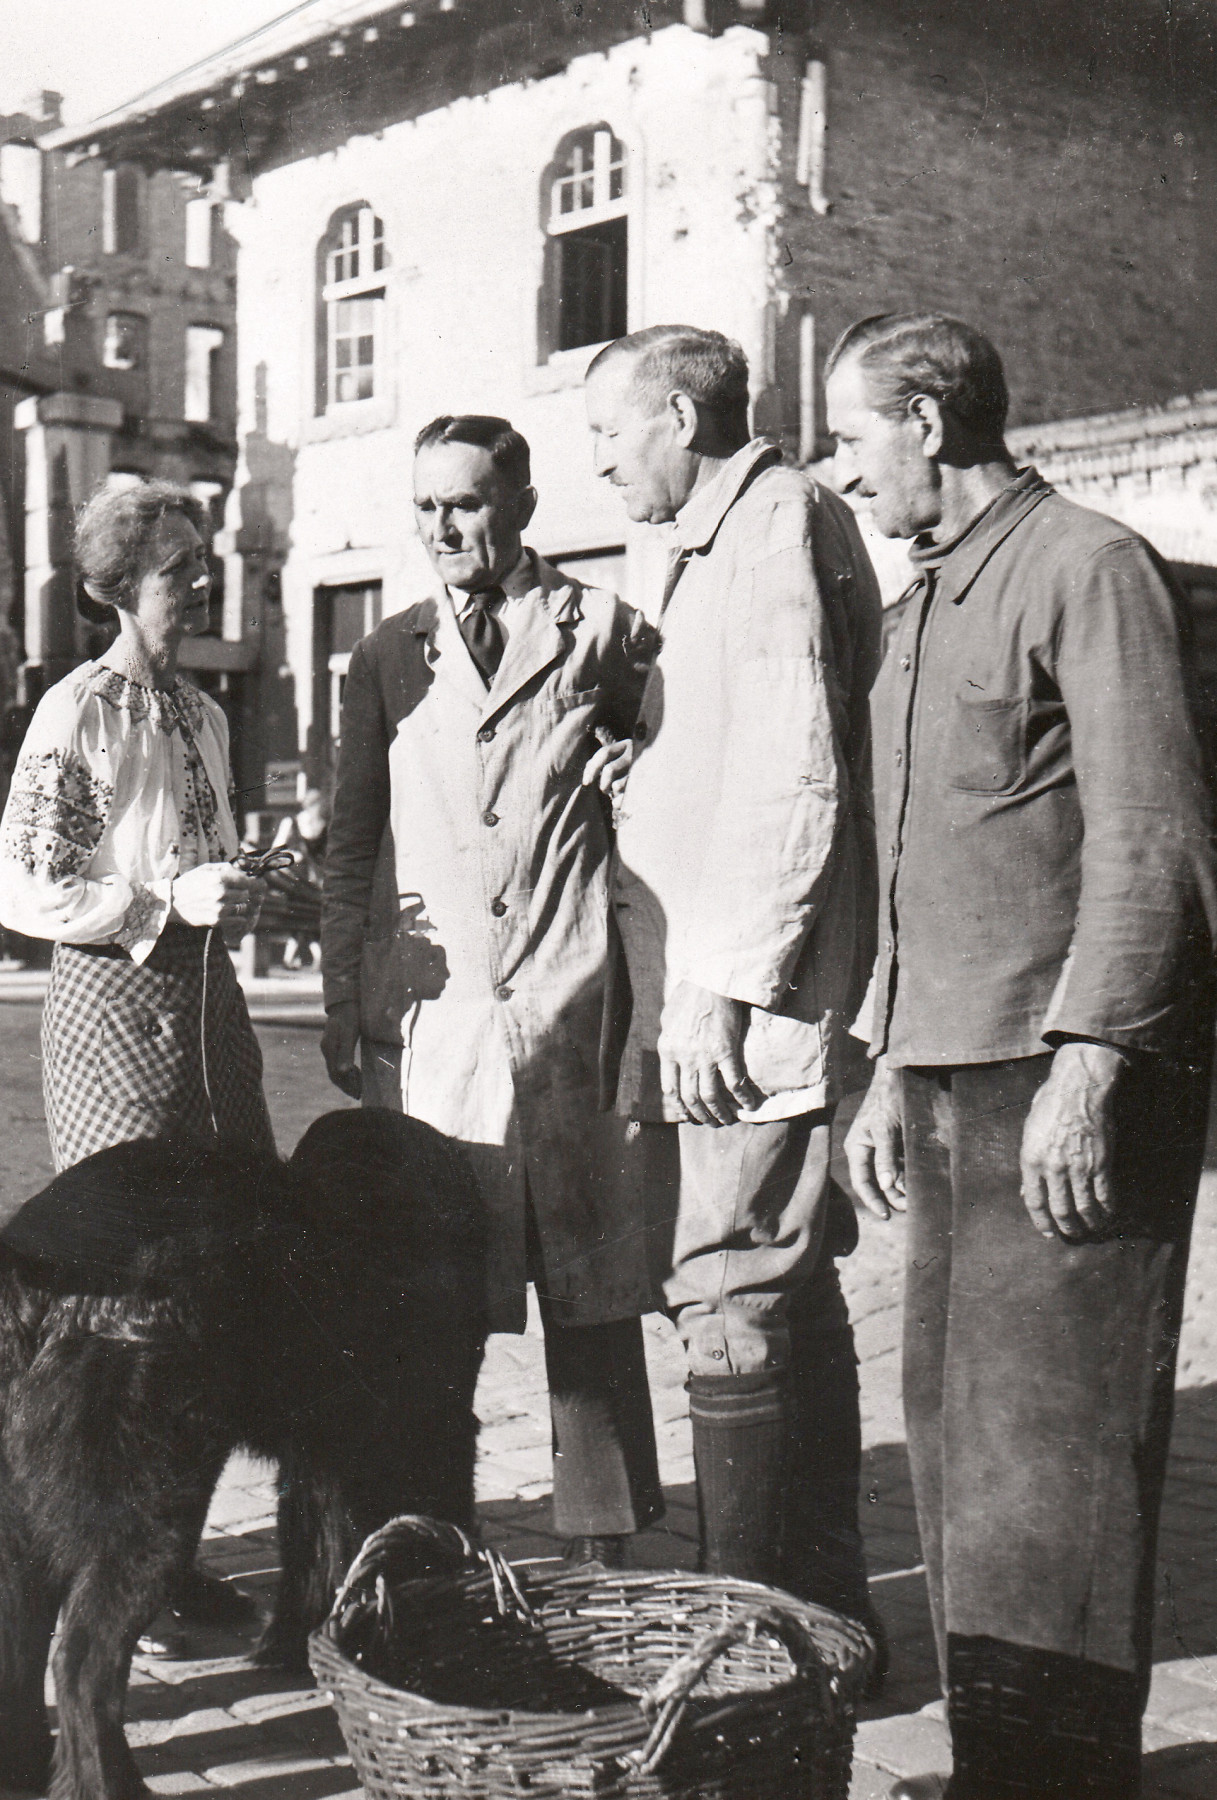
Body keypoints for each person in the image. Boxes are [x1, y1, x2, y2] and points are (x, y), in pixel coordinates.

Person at [829, 313, 1216, 1800]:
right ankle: (1005, 1765)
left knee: (1056, 1464)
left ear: (925, 422)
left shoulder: (1087, 567)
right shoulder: (926, 597)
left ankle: (1057, 1782)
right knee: (953, 1443)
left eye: (856, 435)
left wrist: (1096, 1055)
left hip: (1058, 1083)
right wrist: (880, 1060)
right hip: (948, 1071)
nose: (847, 471)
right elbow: (931, 857)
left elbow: (1153, 833)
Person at [583, 328, 886, 1654]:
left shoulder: (770, 525)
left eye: (609, 432)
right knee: (780, 1283)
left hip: (743, 997)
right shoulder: (728, 533)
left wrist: (712, 990)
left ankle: (745, 1636)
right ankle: (820, 1617)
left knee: (727, 1288)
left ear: (679, 421)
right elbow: (733, 747)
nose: (598, 461)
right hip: (731, 982)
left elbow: (795, 772)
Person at [320, 414, 667, 1566]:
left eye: (464, 503)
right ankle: (428, 1537)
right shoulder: (383, 659)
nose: (443, 528)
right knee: (427, 1292)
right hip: (440, 1026)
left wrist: (633, 762)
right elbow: (350, 850)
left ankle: (604, 1550)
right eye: (424, 508)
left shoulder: (605, 633)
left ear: (517, 503)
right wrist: (341, 998)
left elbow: (664, 774)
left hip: (567, 1001)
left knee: (588, 1282)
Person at [0, 476, 271, 1650]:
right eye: (176, 568)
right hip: (113, 1013)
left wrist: (245, 889)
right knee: (128, 1307)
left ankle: (170, 1559)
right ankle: (107, 1574)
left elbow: (204, 871)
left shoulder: (202, 716)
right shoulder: (79, 713)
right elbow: (23, 888)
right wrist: (165, 897)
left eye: (204, 560)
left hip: (211, 1020)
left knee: (222, 1292)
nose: (199, 580)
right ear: (115, 590)